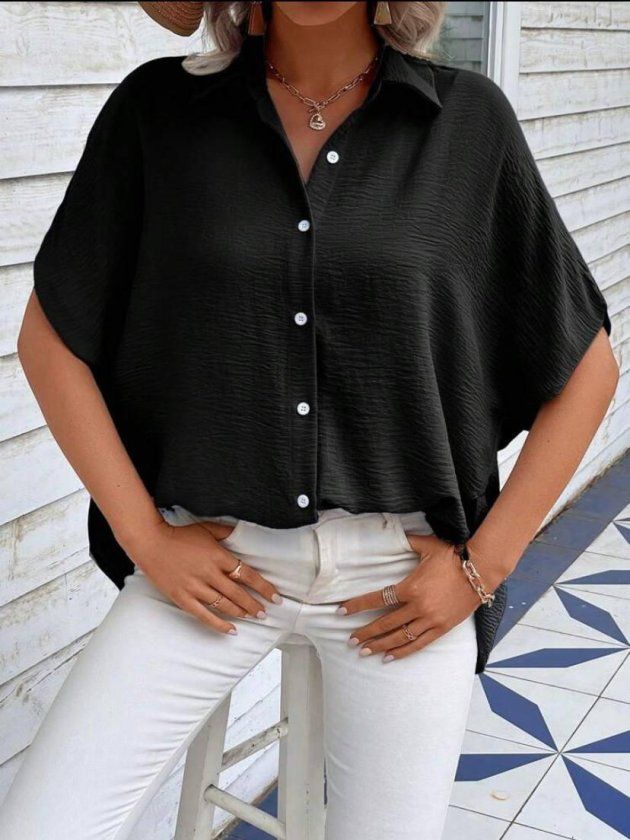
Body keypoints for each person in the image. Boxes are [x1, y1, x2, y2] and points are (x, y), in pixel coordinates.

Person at [0, 2, 617, 839]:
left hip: (397, 580)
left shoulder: (468, 123)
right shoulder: (159, 112)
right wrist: (144, 537)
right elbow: (50, 341)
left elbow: (586, 369)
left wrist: (484, 567)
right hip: (213, 566)